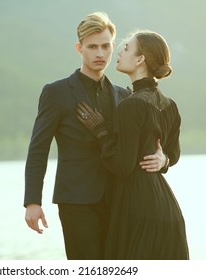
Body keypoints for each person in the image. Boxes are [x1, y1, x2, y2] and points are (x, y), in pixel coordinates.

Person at [24, 13, 168, 260]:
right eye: (92, 47)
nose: (100, 53)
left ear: (113, 47)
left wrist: (163, 158)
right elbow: (38, 149)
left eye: (105, 46)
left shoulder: (125, 96)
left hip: (121, 201)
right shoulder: (56, 93)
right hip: (77, 201)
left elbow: (151, 144)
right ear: (80, 48)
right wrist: (32, 202)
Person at [77, 30, 189, 259]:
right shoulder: (170, 105)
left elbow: (123, 166)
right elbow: (174, 154)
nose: (120, 51)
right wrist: (164, 160)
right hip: (168, 209)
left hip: (138, 209)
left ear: (140, 60)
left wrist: (101, 132)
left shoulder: (130, 106)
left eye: (126, 48)